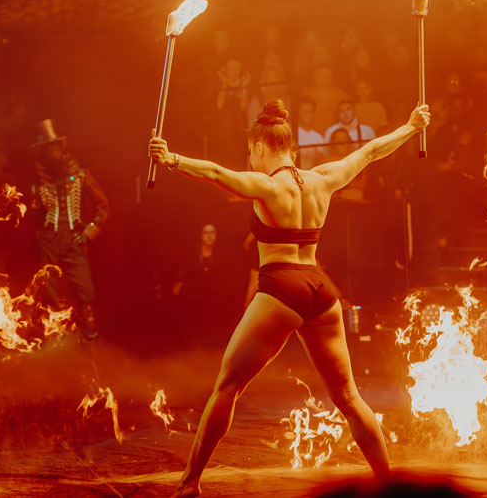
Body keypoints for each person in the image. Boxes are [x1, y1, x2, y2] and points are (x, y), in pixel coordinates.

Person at [148, 99, 431, 498]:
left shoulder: (266, 185)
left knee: (227, 387)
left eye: (251, 152)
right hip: (320, 288)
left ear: (261, 148)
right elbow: (370, 151)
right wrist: (410, 126)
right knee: (349, 396)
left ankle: (189, 483)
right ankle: (388, 485)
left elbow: (214, 173)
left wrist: (171, 158)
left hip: (282, 287)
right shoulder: (324, 178)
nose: (250, 158)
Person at [32, 119, 109, 341]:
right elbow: (33, 216)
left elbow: (103, 206)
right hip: (48, 240)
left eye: (55, 148)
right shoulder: (38, 184)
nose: (52, 153)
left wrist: (88, 232)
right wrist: (38, 236)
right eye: (48, 149)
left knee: (87, 291)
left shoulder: (80, 176)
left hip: (72, 240)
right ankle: (53, 336)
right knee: (48, 291)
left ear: (60, 148)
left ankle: (88, 334)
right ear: (43, 153)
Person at [296, 96, 325, 169]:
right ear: (298, 113)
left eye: (311, 111)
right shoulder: (291, 133)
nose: (308, 115)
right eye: (304, 111)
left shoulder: (319, 138)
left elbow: (319, 161)